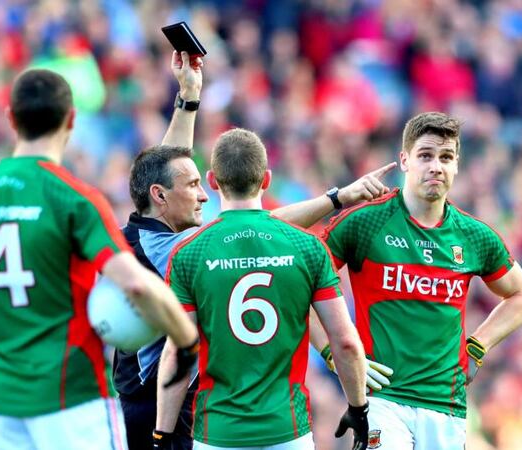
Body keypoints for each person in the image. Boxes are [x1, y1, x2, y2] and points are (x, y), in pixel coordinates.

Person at [115, 51, 396, 450]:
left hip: (196, 416)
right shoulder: (179, 249)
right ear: (266, 179)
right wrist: (336, 198)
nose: (198, 195)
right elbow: (256, 231)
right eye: (191, 187)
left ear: (215, 180)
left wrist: (188, 98)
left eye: (201, 183)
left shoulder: (148, 235)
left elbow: (169, 173)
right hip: (160, 406)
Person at [0, 67, 200, 450]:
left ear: (11, 120)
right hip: (72, 402)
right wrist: (186, 339)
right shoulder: (73, 199)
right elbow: (133, 282)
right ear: (71, 119)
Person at [314, 111, 522, 449]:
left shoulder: (474, 236)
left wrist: (478, 347)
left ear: (457, 164)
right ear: (404, 160)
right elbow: (301, 282)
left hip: (446, 406)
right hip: (382, 400)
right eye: (426, 156)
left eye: (446, 157)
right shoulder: (365, 222)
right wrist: (332, 353)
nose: (436, 166)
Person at [155, 128, 370, 450]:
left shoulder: (190, 254)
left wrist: (162, 435)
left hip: (218, 434)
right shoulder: (307, 247)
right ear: (266, 179)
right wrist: (358, 408)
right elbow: (346, 343)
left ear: (212, 181)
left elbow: (177, 353)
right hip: (288, 431)